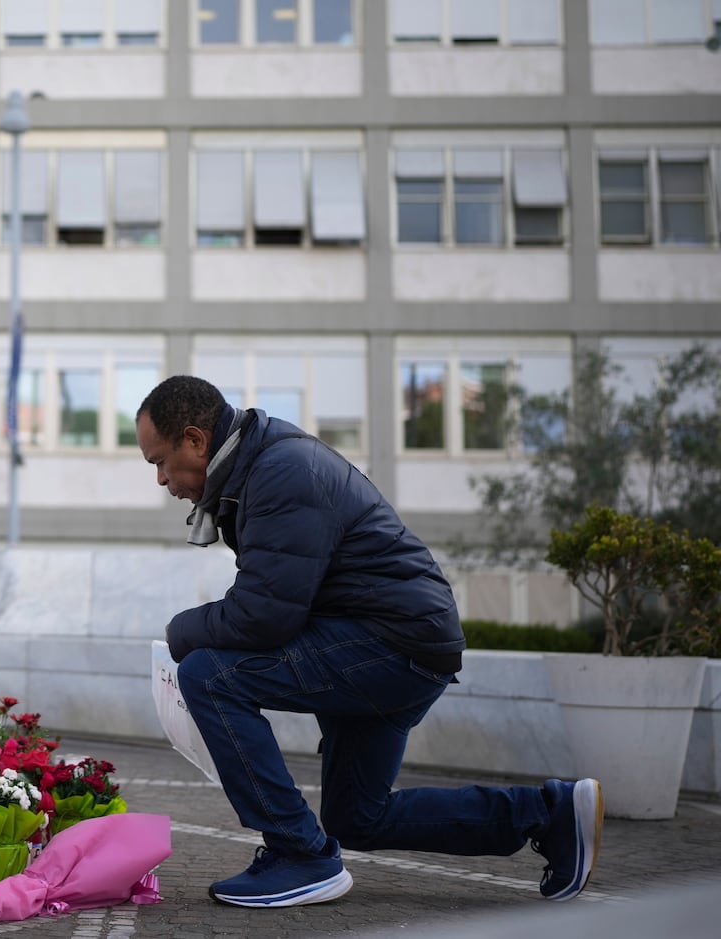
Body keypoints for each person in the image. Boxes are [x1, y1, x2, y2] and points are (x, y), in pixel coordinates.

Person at [135, 375, 602, 909]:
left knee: (209, 675)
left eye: (159, 461)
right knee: (358, 817)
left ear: (196, 440)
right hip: (393, 641)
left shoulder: (280, 471)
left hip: (390, 642)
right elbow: (276, 601)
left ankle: (299, 855)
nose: (160, 479)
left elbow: (264, 616)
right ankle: (548, 813)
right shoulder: (259, 468)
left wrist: (181, 631)